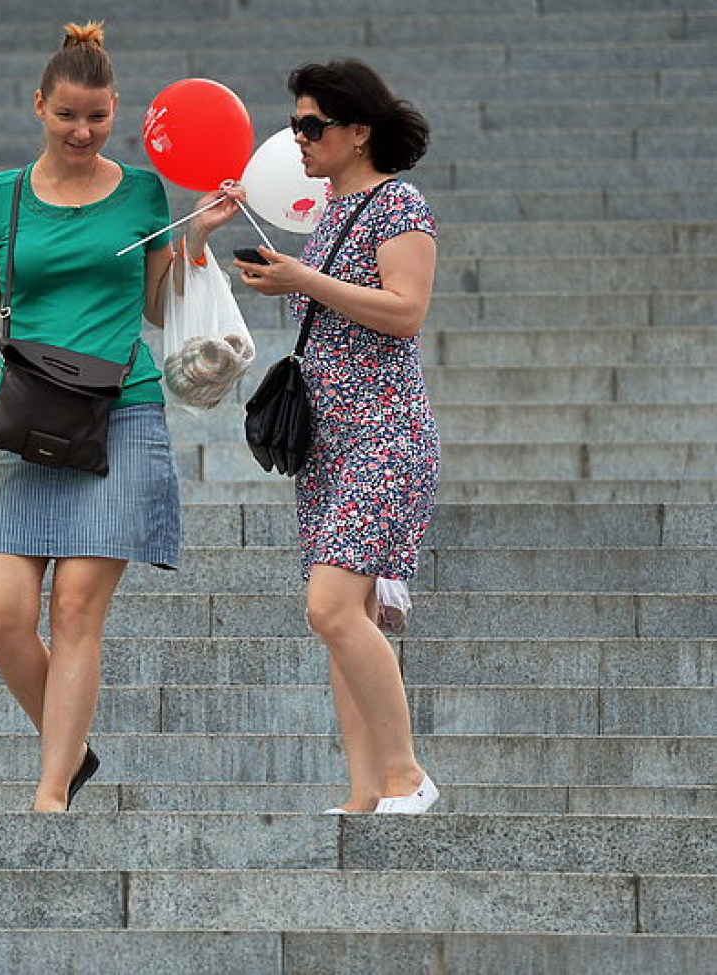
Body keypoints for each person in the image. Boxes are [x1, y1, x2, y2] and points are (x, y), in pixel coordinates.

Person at [0, 21, 181, 812]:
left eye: (99, 117)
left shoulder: (145, 192)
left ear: (117, 111)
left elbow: (156, 306)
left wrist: (193, 242)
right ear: (39, 104)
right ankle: (70, 753)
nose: (82, 131)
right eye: (68, 114)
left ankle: (49, 796)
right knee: (1, 611)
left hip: (122, 412)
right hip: (26, 414)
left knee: (75, 607)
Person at [188, 58, 440, 814]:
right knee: (346, 619)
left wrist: (304, 280)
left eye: (312, 125)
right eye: (297, 124)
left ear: (359, 131)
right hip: (327, 443)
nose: (298, 138)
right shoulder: (328, 213)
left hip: (385, 434)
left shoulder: (401, 204)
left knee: (330, 608)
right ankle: (366, 791)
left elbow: (406, 309)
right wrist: (278, 271)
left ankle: (406, 774)